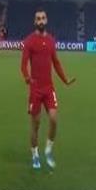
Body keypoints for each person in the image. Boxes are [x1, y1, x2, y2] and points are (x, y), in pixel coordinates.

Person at [21, 9, 75, 170]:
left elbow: (56, 63)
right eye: (38, 18)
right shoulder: (29, 41)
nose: (41, 21)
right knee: (35, 125)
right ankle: (35, 154)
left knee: (53, 119)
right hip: (36, 89)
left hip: (49, 88)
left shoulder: (51, 40)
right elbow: (23, 64)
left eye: (43, 18)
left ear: (46, 20)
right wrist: (27, 77)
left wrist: (65, 80)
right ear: (34, 21)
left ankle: (48, 150)